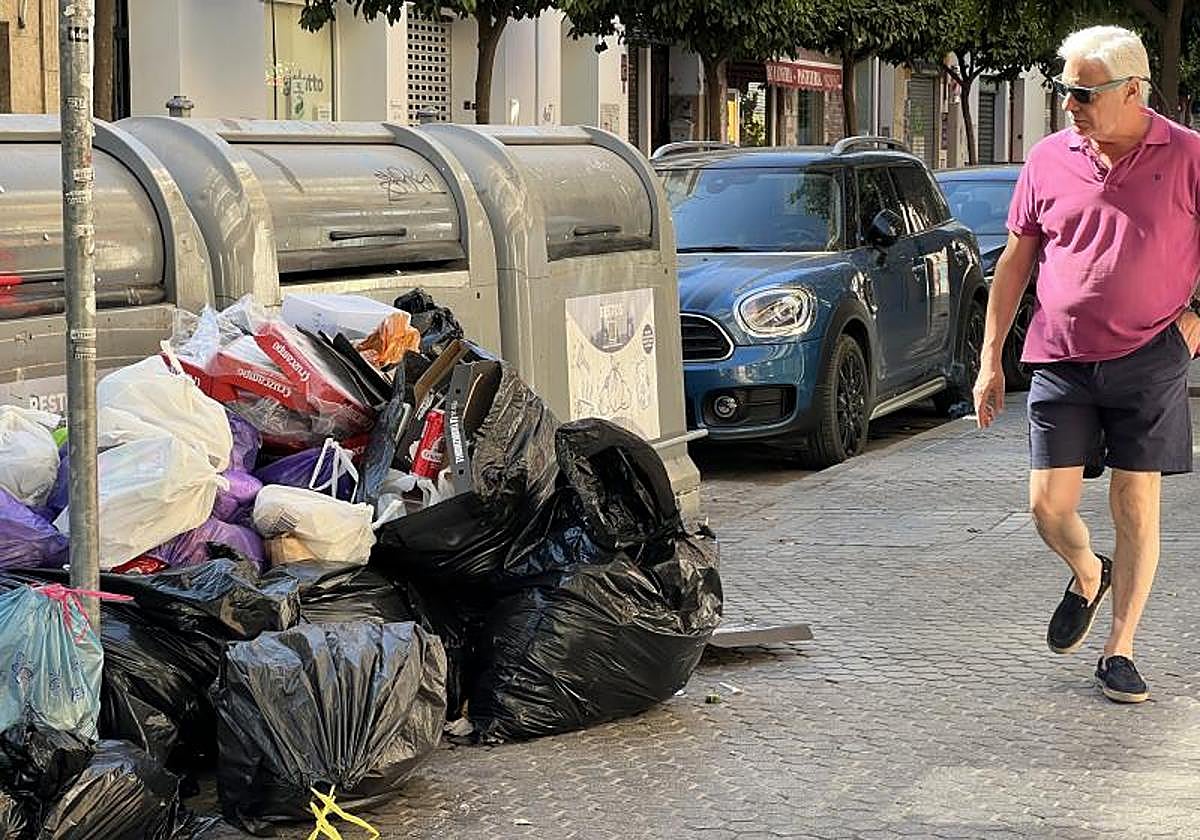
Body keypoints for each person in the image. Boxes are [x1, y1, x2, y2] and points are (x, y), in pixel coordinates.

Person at [973, 25, 1200, 704]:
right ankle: (1085, 571)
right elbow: (1015, 264)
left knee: (1135, 503)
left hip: (1150, 357)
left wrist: (1196, 326)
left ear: (1133, 91)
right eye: (1063, 90)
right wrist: (990, 361)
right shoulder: (1048, 159)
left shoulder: (1189, 156)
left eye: (1081, 92)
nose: (1068, 104)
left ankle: (1120, 647)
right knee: (1047, 506)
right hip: (1059, 358)